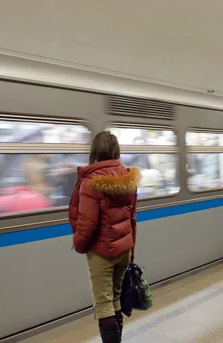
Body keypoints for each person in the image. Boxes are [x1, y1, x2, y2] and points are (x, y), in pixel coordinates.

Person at [68, 131, 141, 342]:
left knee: (103, 304)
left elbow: (86, 223)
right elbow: (132, 219)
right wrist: (131, 249)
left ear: (95, 152)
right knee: (115, 299)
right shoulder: (129, 177)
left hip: (101, 253)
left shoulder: (90, 182)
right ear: (116, 151)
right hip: (124, 250)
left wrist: (79, 245)